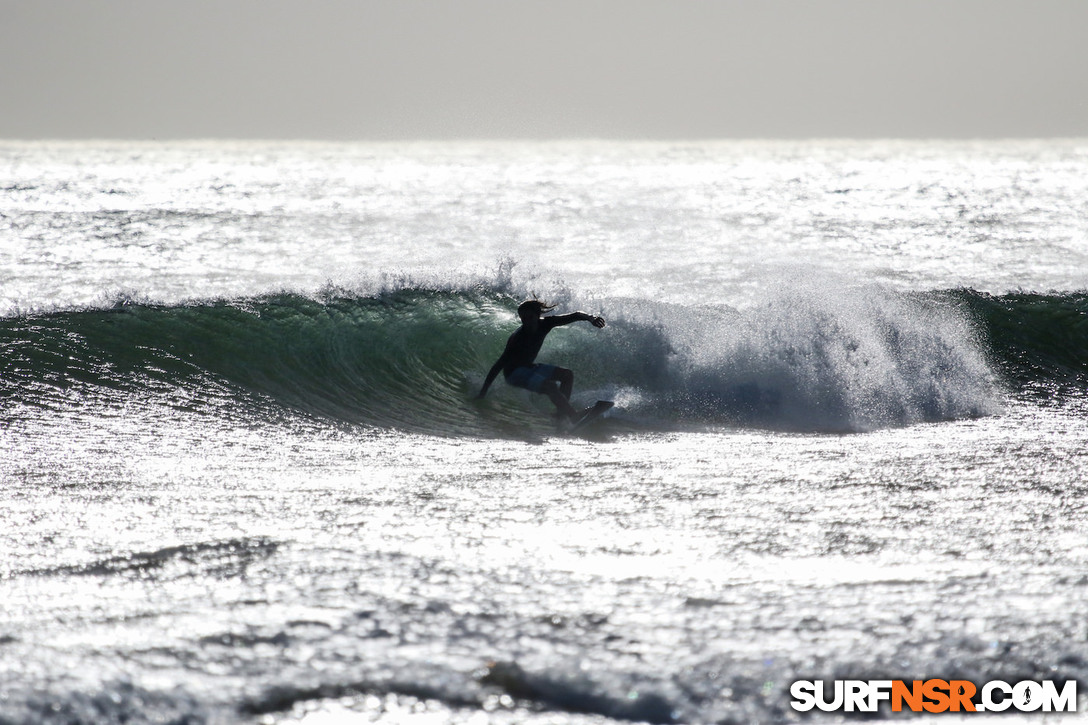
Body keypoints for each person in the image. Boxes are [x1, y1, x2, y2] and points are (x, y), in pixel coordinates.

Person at [477, 300, 606, 423]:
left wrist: (591, 318)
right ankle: (573, 416)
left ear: (538, 315)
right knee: (551, 386)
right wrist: (483, 392)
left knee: (567, 375)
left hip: (529, 367)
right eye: (523, 319)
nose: (526, 322)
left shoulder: (546, 323)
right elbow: (499, 364)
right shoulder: (518, 337)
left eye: (530, 317)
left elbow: (576, 315)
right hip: (514, 374)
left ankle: (560, 415)